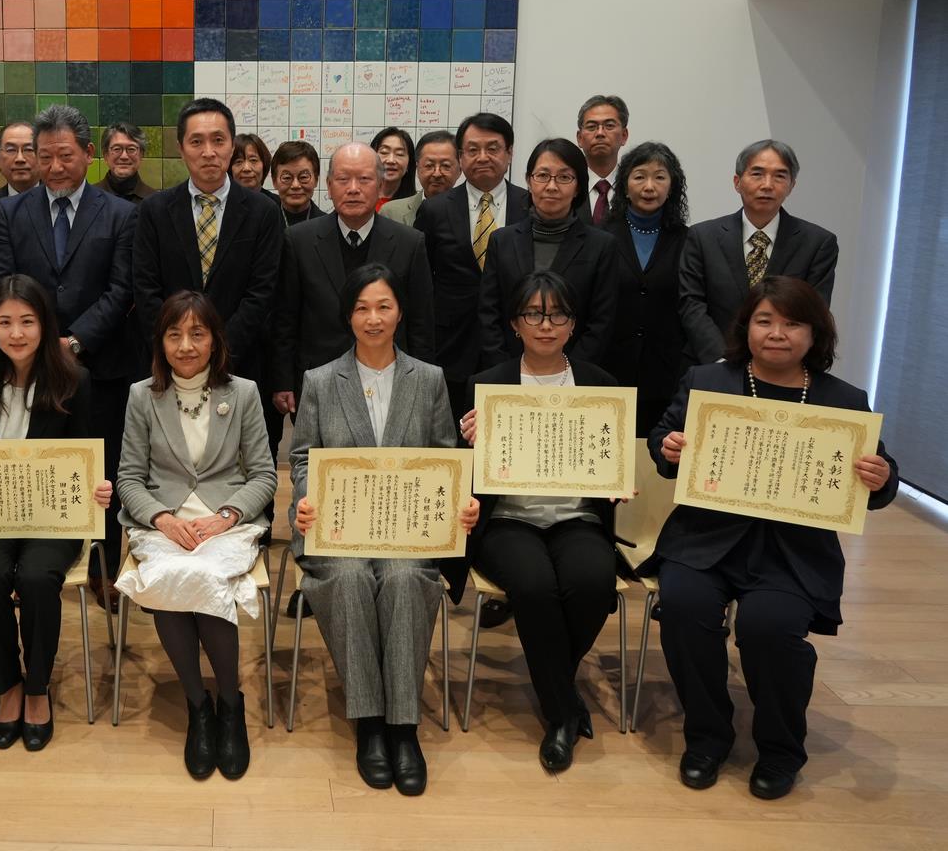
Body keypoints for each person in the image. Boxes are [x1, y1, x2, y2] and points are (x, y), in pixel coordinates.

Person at [644, 277, 898, 800]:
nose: (777, 333)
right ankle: (707, 737)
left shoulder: (843, 399)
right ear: (746, 328)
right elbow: (662, 440)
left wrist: (882, 477)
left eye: (792, 323)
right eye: (765, 321)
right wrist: (667, 445)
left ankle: (781, 749)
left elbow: (879, 483)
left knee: (769, 627)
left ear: (815, 334)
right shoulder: (708, 381)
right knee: (685, 607)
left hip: (792, 552)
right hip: (706, 540)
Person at [289, 264, 481, 796]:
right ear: (347, 316)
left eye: (383, 307)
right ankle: (370, 723)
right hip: (339, 530)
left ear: (400, 313)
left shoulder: (429, 379)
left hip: (408, 532)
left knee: (402, 578)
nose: (373, 318)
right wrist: (304, 499)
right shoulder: (321, 381)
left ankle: (404, 726)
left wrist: (461, 503)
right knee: (350, 577)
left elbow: (445, 457)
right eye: (361, 308)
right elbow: (303, 457)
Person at [452, 271, 621, 773]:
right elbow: (463, 476)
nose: (546, 325)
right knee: (534, 586)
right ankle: (562, 713)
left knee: (592, 583)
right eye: (533, 314)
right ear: (514, 323)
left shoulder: (601, 385)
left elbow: (611, 461)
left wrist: (617, 477)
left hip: (577, 516)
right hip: (510, 519)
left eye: (557, 314)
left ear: (573, 324)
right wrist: (470, 444)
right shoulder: (487, 385)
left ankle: (556, 686)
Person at [0, 276, 114, 751]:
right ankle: (8, 683)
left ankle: (37, 685)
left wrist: (97, 487)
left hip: (51, 517)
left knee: (38, 578)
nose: (16, 333)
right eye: (5, 322)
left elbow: (86, 455)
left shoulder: (73, 380)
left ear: (44, 325)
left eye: (27, 322)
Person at [115, 291, 278, 780]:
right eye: (174, 334)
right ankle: (197, 705)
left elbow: (264, 475)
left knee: (205, 576)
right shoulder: (142, 395)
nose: (185, 346)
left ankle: (230, 704)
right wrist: (163, 519)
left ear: (215, 341)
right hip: (163, 522)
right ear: (161, 342)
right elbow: (128, 478)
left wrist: (226, 516)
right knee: (171, 577)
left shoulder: (243, 393)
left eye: (197, 334)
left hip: (225, 521)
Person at [0, 104, 137, 608]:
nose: (53, 167)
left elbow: (121, 289)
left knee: (104, 468)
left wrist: (73, 342)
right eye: (44, 155)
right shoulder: (9, 214)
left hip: (103, 363)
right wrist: (40, 342)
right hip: (26, 366)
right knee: (37, 460)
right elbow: (3, 283)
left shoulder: (121, 214)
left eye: (64, 155)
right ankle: (33, 558)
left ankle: (104, 568)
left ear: (89, 154)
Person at [272, 143, 434, 419]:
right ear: (329, 185)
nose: (353, 188)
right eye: (343, 179)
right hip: (319, 379)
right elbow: (285, 317)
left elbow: (421, 324)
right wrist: (283, 381)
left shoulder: (410, 242)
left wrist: (422, 383)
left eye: (364, 179)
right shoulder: (299, 240)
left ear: (380, 185)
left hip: (391, 381)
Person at [132, 98, 282, 381]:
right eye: (196, 142)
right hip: (169, 366)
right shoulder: (153, 211)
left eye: (218, 140)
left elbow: (261, 293)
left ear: (231, 146)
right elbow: (145, 289)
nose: (209, 152)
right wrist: (177, 348)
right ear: (181, 149)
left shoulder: (264, 212)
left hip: (240, 365)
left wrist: (219, 352)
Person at [678, 140, 839, 364]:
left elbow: (813, 312)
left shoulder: (818, 243)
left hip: (782, 367)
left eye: (779, 176)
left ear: (792, 185)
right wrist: (721, 361)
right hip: (711, 364)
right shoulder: (702, 236)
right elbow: (691, 303)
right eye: (757, 174)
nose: (767, 185)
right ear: (737, 182)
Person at [415, 112, 531, 421]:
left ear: (509, 153)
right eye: (473, 149)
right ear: (460, 156)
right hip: (451, 349)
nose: (483, 157)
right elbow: (421, 285)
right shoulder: (435, 210)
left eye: (493, 148)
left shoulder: (529, 205)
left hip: (515, 346)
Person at [479, 138, 617, 367]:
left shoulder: (601, 245)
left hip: (574, 373)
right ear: (529, 181)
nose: (552, 186)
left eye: (564, 177)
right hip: (508, 370)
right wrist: (506, 369)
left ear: (578, 186)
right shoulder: (502, 240)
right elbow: (488, 313)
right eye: (542, 175)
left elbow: (601, 321)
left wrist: (569, 371)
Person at [602, 141, 690, 434]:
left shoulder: (689, 240)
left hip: (666, 372)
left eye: (659, 177)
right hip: (609, 369)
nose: (649, 186)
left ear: (672, 186)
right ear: (625, 186)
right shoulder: (601, 237)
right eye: (640, 176)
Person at [380, 130, 458, 227]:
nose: (437, 174)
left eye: (445, 166)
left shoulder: (471, 212)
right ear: (417, 168)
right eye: (429, 165)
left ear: (460, 169)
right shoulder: (390, 213)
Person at [574, 95, 630, 226]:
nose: (600, 133)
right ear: (579, 138)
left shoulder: (634, 187)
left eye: (609, 126)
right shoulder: (566, 186)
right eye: (591, 126)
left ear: (624, 135)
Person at [93, 123, 158, 204]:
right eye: (117, 149)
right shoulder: (89, 197)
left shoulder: (155, 201)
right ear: (105, 155)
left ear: (141, 155)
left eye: (131, 149)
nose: (124, 156)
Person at [271, 139, 325, 227]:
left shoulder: (328, 226)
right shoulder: (262, 223)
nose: (295, 185)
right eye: (287, 178)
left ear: (316, 180)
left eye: (303, 177)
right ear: (274, 182)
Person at [371, 127, 416, 206]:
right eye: (384, 152)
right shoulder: (358, 199)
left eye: (399, 154)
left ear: (409, 163)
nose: (391, 160)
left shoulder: (416, 205)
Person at [229, 133, 276, 201]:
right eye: (239, 161)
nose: (246, 168)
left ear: (264, 164)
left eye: (253, 160)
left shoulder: (276, 203)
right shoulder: (222, 203)